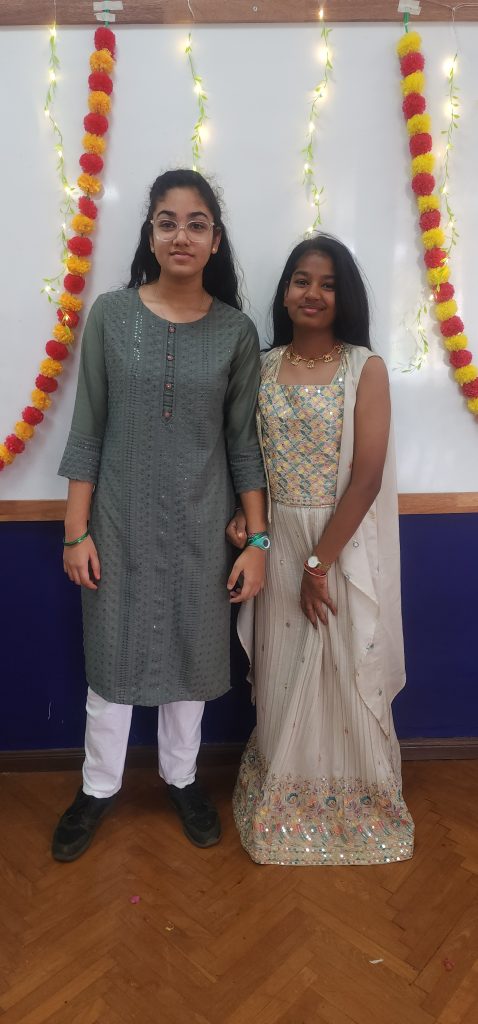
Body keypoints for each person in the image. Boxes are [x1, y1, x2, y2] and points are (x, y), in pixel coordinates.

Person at [52, 169, 268, 862]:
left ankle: (182, 779)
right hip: (117, 524)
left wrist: (258, 540)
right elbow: (88, 428)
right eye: (167, 222)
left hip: (204, 527)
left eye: (196, 223)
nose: (181, 235)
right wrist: (76, 531)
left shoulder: (237, 332)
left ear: (215, 240)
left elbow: (243, 445)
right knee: (110, 661)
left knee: (192, 660)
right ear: (150, 235)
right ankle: (97, 787)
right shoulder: (112, 316)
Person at [229, 235, 415, 866]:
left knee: (343, 667)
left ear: (345, 296)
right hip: (276, 541)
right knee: (282, 676)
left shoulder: (365, 367)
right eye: (302, 281)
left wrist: (319, 563)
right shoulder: (260, 366)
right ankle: (282, 798)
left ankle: (357, 805)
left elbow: (367, 476)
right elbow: (247, 458)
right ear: (285, 291)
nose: (313, 293)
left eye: (328, 284)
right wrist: (245, 520)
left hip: (339, 542)